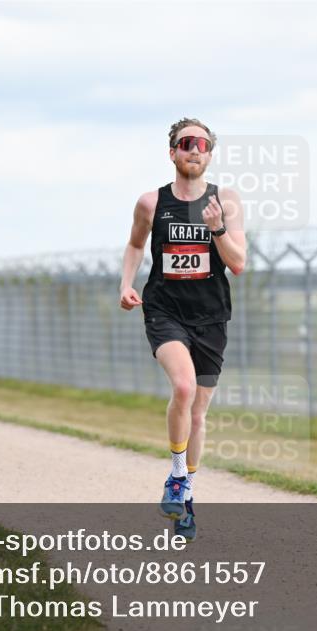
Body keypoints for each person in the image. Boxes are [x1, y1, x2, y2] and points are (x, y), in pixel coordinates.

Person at [119, 118, 247, 541]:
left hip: (211, 316)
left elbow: (238, 263)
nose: (194, 149)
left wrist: (217, 230)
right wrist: (126, 284)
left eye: (203, 144)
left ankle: (185, 501)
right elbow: (137, 244)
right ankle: (176, 477)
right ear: (172, 152)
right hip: (164, 310)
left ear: (210, 155)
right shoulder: (150, 203)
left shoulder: (224, 202)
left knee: (197, 414)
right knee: (184, 389)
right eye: (185, 143)